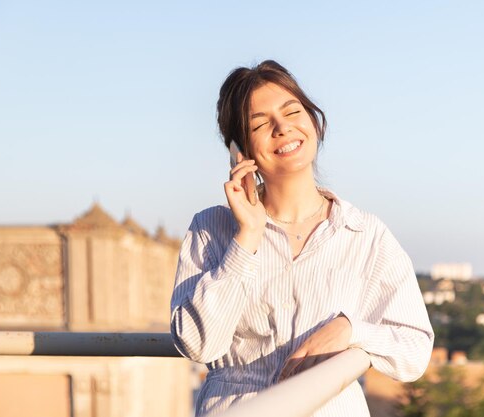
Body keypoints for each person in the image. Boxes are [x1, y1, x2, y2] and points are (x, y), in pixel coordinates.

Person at [170, 60, 434, 416]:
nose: (282, 128)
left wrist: (352, 330)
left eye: (292, 111)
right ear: (239, 149)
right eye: (260, 123)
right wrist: (247, 237)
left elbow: (415, 350)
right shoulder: (211, 229)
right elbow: (198, 344)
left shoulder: (364, 235)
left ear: (313, 120)